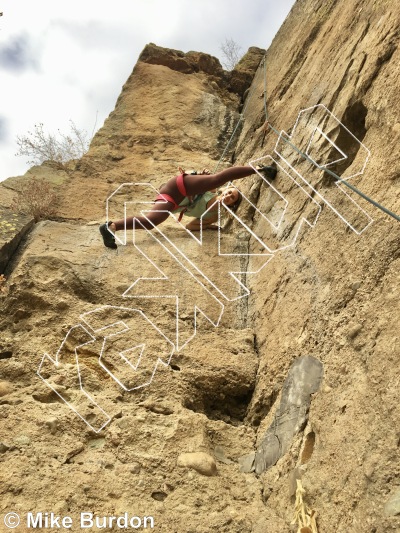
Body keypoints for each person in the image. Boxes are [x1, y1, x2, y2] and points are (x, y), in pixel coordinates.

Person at [99, 164, 277, 249]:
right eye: (230, 191)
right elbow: (217, 179)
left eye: (232, 198)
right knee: (216, 178)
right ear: (224, 191)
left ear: (231, 206)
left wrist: (209, 227)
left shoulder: (214, 215)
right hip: (178, 187)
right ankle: (259, 168)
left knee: (152, 221)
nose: (229, 196)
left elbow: (190, 226)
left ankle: (111, 227)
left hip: (171, 198)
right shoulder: (213, 189)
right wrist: (200, 175)